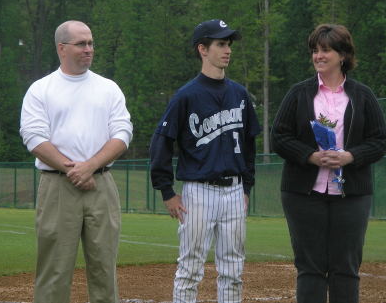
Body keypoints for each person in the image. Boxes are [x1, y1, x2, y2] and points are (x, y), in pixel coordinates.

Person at [271, 24, 386, 303]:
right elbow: (279, 137)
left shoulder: (362, 96)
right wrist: (310, 156)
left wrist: (350, 156)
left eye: (325, 50)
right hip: (303, 194)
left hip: (351, 195)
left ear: (343, 55)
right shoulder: (299, 93)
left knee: (345, 268)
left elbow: (379, 141)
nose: (318, 56)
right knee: (310, 268)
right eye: (315, 50)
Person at [19, 20, 133, 303]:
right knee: (54, 270)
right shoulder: (41, 89)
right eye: (81, 43)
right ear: (62, 48)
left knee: (104, 269)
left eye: (91, 43)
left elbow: (123, 132)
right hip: (58, 187)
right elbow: (33, 137)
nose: (88, 49)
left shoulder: (108, 88)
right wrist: (74, 170)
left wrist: (90, 166)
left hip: (101, 185)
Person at [150, 19, 261, 303]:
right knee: (190, 269)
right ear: (203, 49)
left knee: (233, 270)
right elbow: (161, 141)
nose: (228, 50)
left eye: (229, 44)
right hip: (198, 192)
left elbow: (249, 143)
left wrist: (246, 186)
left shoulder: (240, 94)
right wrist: (166, 190)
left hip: (235, 191)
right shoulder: (187, 95)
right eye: (221, 44)